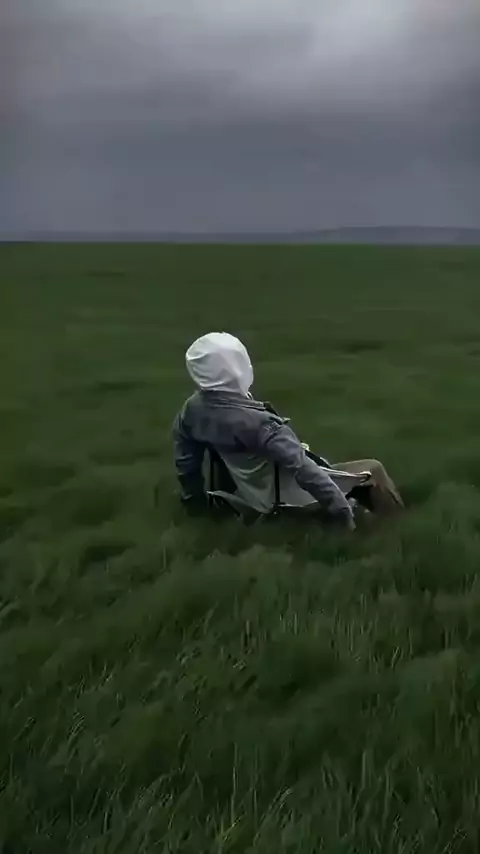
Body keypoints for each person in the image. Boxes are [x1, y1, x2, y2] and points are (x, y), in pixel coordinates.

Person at [173, 332, 403, 529]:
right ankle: (396, 523)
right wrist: (342, 512)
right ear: (237, 368)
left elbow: (186, 464)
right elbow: (303, 469)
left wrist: (195, 504)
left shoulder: (192, 410)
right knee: (373, 468)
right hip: (286, 498)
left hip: (248, 495)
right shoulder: (260, 424)